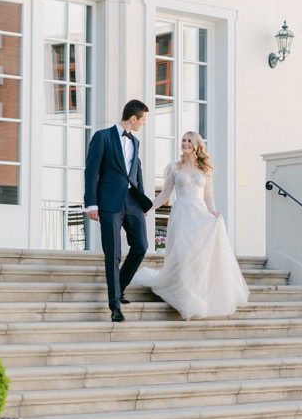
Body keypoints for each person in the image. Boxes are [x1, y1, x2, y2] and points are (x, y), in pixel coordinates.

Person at [134, 131, 249, 319]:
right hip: (181, 214)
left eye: (189, 141)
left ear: (196, 145)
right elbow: (165, 194)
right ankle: (185, 299)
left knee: (197, 256)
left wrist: (213, 212)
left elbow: (208, 195)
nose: (185, 143)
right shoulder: (174, 167)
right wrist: (148, 208)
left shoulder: (205, 169)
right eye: (183, 140)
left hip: (199, 214)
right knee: (184, 255)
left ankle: (196, 295)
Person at [84, 99, 149, 322]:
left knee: (141, 246)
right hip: (109, 203)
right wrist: (91, 204)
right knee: (113, 254)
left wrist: (142, 201)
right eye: (142, 120)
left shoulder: (135, 141)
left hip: (133, 202)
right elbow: (91, 171)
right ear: (133, 118)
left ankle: (119, 287)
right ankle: (115, 306)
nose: (143, 124)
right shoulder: (102, 137)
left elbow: (137, 171)